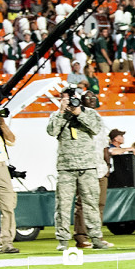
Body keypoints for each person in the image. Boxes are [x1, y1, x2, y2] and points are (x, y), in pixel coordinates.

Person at [47, 87, 109, 251]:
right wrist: (62, 112)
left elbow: (96, 129)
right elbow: (52, 131)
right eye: (65, 99)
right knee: (63, 206)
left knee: (91, 204)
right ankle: (63, 241)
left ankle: (96, 237)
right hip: (66, 167)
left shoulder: (90, 113)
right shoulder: (57, 115)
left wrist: (78, 113)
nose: (69, 102)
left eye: (71, 98)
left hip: (87, 166)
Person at [73, 90, 113, 248]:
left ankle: (96, 235)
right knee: (83, 203)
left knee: (99, 204)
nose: (91, 99)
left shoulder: (99, 120)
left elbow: (104, 145)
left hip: (100, 167)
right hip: (85, 167)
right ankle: (81, 236)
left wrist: (108, 164)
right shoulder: (77, 119)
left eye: (93, 96)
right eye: (87, 97)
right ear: (81, 101)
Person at [0, 116, 19, 253]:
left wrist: (2, 124)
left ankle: (6, 243)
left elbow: (12, 140)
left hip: (1, 167)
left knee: (8, 204)